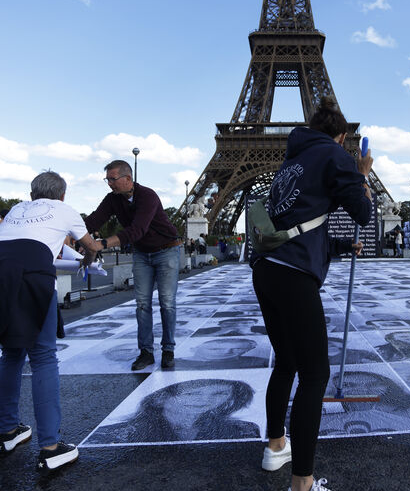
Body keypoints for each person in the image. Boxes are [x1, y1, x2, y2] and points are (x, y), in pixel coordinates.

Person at [251, 97, 372, 491]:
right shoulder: (335, 155)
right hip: (294, 276)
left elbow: (298, 225)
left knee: (286, 362)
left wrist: (339, 245)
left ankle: (275, 446)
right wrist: (361, 174)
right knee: (316, 374)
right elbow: (363, 212)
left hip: (266, 269)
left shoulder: (292, 162)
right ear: (341, 135)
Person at [0, 171, 100, 471]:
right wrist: (87, 261)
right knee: (43, 357)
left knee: (11, 354)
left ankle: (7, 430)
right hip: (32, 276)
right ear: (63, 195)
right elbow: (92, 246)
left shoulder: (16, 209)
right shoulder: (65, 209)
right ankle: (51, 447)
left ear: (31, 195)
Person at [84, 160, 181, 371]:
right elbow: (93, 221)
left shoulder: (148, 196)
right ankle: (146, 352)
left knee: (167, 303)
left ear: (128, 178)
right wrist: (71, 233)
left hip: (166, 250)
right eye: (107, 179)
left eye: (112, 179)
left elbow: (137, 230)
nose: (109, 183)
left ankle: (168, 350)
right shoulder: (112, 199)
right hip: (142, 253)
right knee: (142, 304)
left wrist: (101, 244)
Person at [88, 378, 260, 443]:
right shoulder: (111, 435)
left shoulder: (245, 430)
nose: (206, 400)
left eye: (220, 393)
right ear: (160, 397)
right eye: (192, 393)